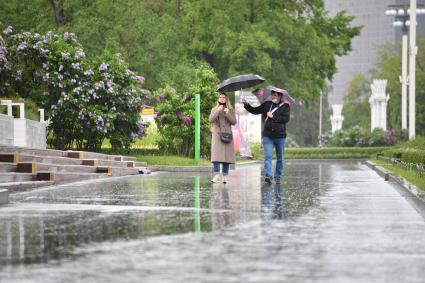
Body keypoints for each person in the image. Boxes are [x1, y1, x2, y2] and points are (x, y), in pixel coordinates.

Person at [243, 88, 290, 184]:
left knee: (280, 157)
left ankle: (278, 176)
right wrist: (246, 105)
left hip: (280, 136)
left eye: (275, 95)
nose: (273, 96)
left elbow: (286, 119)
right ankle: (269, 175)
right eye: (272, 94)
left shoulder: (285, 106)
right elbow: (255, 110)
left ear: (280, 96)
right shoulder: (267, 105)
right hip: (268, 136)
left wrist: (273, 116)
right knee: (268, 156)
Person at [209, 93, 237, 183]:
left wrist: (228, 113)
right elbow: (211, 119)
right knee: (216, 155)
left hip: (227, 135)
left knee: (226, 157)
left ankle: (225, 176)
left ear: (226, 99)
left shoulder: (231, 110)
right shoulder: (214, 109)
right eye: (220, 97)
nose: (221, 99)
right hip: (217, 135)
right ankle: (216, 174)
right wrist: (218, 110)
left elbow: (234, 122)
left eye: (223, 97)